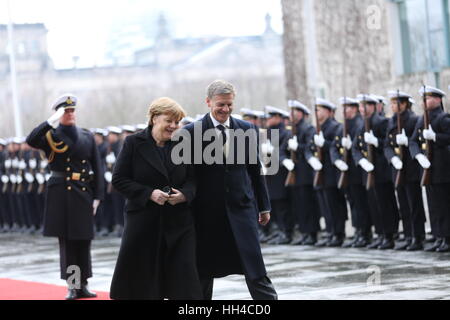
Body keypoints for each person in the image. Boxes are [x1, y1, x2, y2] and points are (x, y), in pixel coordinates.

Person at [184, 80, 277, 300]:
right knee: (203, 268)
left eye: (229, 104)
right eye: (220, 105)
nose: (225, 109)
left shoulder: (247, 129)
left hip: (241, 208)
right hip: (205, 212)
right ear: (208, 102)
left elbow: (255, 171)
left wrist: (264, 206)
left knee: (254, 265)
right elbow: (187, 177)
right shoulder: (191, 132)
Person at [110, 97, 203, 300]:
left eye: (177, 122)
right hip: (144, 221)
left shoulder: (183, 144)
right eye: (168, 120)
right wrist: (148, 193)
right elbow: (119, 179)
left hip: (179, 223)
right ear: (154, 118)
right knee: (145, 283)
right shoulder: (134, 143)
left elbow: (193, 180)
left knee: (184, 280)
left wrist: (185, 195)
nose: (173, 126)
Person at [26, 94, 104, 300]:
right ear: (59, 113)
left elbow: (97, 166)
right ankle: (72, 285)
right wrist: (49, 122)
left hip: (83, 191)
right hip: (61, 194)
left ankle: (84, 284)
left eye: (72, 110)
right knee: (68, 243)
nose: (70, 114)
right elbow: (31, 139)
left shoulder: (86, 135)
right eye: (66, 111)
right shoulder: (51, 135)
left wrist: (97, 197)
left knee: (84, 241)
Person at [384, 91, 426, 251]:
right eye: (392, 103)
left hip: (411, 168)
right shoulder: (392, 120)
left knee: (414, 203)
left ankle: (418, 236)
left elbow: (418, 141)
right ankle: (409, 235)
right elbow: (387, 144)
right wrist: (392, 159)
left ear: (404, 104)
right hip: (397, 168)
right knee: (403, 203)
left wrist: (407, 142)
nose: (393, 106)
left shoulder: (413, 119)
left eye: (395, 103)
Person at [410, 86, 450, 252]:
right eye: (424, 99)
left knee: (444, 205)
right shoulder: (421, 119)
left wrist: (435, 137)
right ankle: (438, 236)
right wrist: (418, 156)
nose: (425, 101)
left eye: (429, 98)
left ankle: (447, 237)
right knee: (433, 205)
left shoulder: (443, 118)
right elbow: (413, 141)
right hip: (427, 169)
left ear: (439, 100)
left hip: (442, 169)